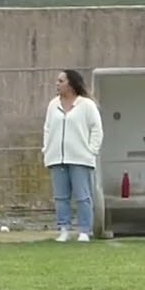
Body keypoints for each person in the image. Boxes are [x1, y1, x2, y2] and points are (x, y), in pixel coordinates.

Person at [42, 69, 103, 243]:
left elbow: (96, 129)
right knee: (61, 197)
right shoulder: (53, 104)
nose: (57, 84)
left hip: (80, 159)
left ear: (71, 83)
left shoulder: (86, 105)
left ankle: (85, 230)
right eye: (57, 81)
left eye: (61, 81)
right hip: (56, 158)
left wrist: (91, 150)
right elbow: (47, 128)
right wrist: (46, 149)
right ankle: (64, 229)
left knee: (83, 196)